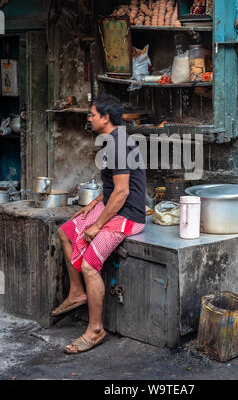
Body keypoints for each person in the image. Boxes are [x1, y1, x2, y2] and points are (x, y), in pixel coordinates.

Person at [52, 94, 146, 354]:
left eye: (92, 114)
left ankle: (96, 330)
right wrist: (95, 203)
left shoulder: (119, 145)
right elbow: (113, 188)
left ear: (105, 118)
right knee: (67, 231)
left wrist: (97, 226)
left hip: (128, 216)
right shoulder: (112, 141)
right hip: (112, 205)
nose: (89, 118)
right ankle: (77, 293)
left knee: (89, 264)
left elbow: (123, 192)